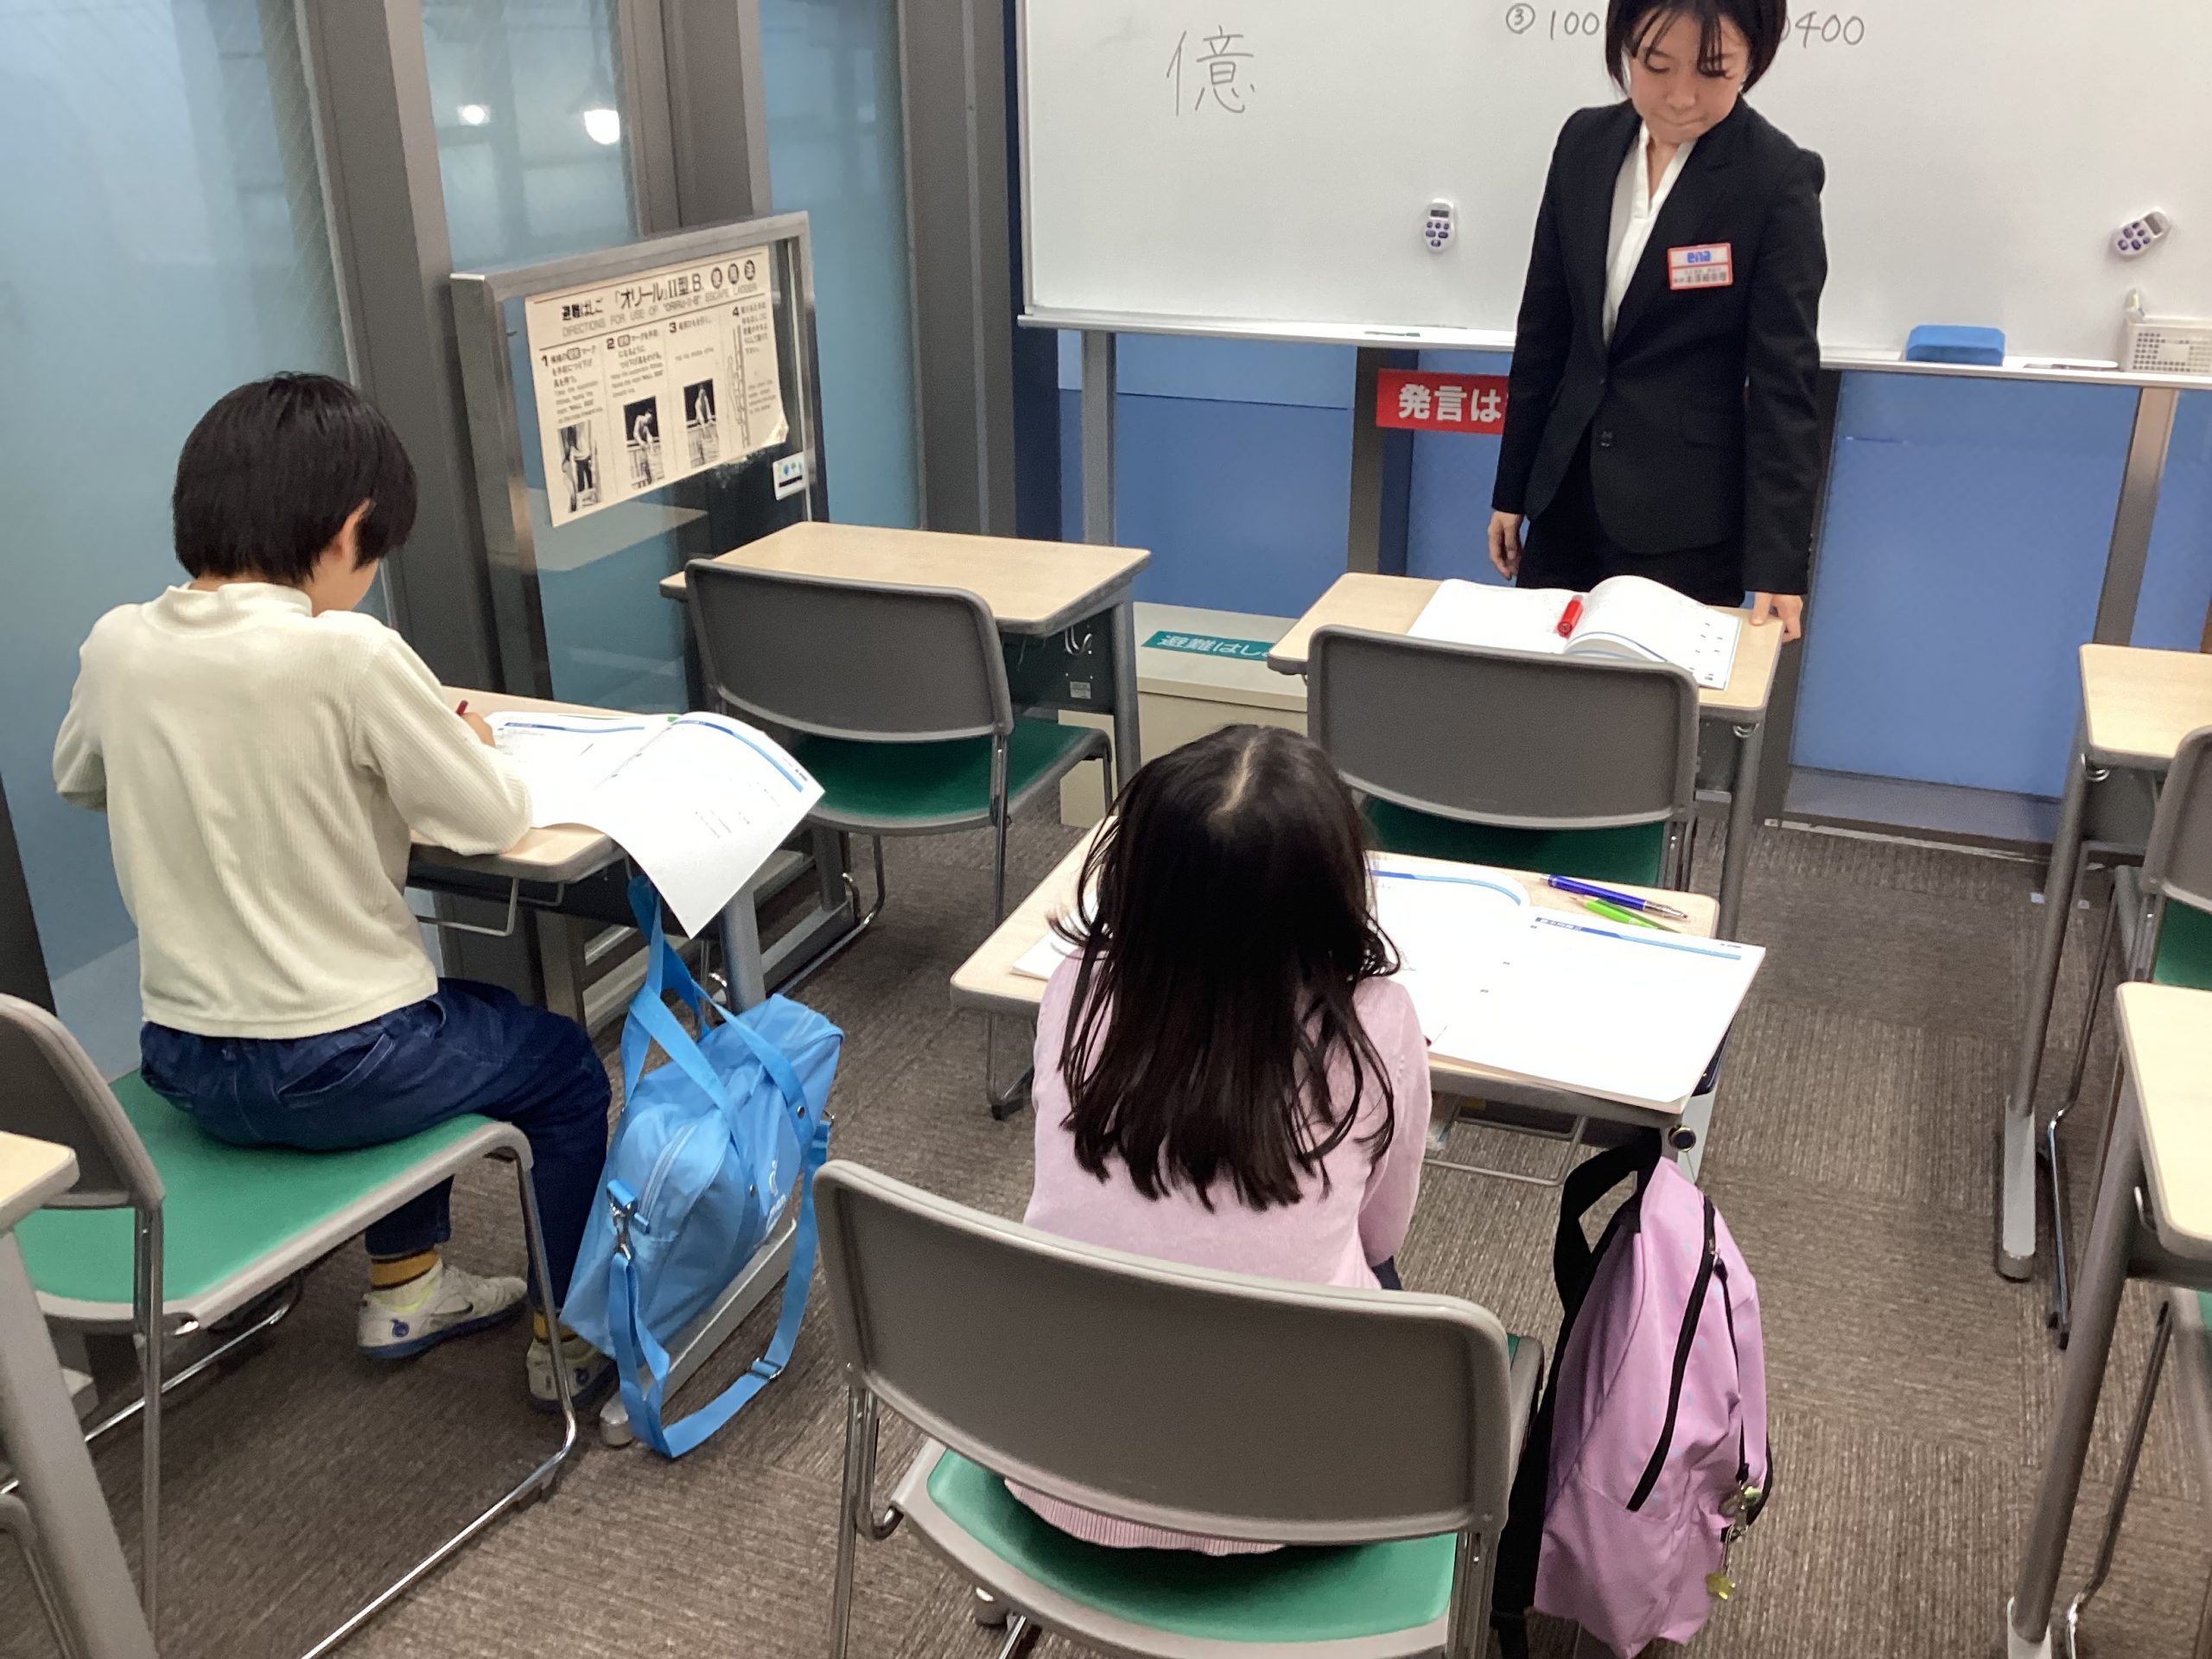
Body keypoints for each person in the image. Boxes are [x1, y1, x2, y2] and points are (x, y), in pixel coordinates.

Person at [53, 373, 613, 1408]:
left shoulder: (119, 641)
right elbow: (491, 818)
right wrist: (463, 742)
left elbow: (79, 779)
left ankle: (409, 1287)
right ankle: (568, 1339)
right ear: (352, 526)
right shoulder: (348, 652)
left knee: (448, 1010)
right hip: (339, 1069)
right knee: (559, 1066)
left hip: (183, 1061)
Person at [1020, 725, 1431, 1552]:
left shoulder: (1078, 990)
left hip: (1052, 1465)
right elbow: (1381, 1236)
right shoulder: (1374, 1025)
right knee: (1376, 1278)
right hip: (1292, 1507)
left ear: (1137, 870)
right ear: (1334, 887)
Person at [1487, 0, 1827, 643]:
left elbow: (1784, 383)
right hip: (1564, 497)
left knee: (1650, 701)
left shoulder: (1775, 179)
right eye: (1656, 65)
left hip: (1684, 522)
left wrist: (1778, 564)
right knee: (1538, 688)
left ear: (1753, 60)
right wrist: (1512, 490)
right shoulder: (1584, 143)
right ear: (1625, 47)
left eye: (1712, 70)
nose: (1680, 96)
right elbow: (1545, 329)